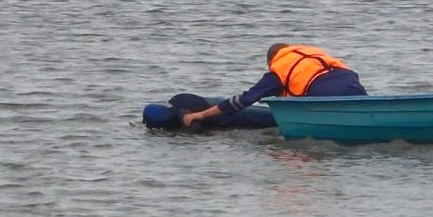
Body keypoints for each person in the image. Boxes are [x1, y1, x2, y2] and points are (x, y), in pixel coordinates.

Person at [182, 43, 367, 127]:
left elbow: (245, 100)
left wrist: (203, 114)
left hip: (328, 99)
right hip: (356, 88)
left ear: (271, 61)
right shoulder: (313, 55)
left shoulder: (278, 70)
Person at [143, 93, 277, 132]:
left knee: (274, 117)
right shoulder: (175, 99)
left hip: (226, 113)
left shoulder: (182, 114)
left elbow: (196, 129)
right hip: (218, 102)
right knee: (271, 115)